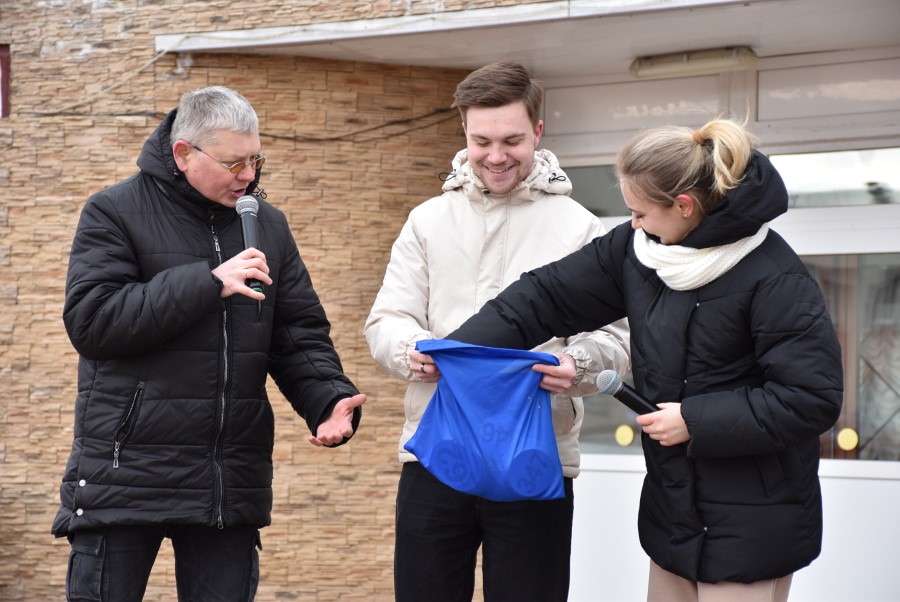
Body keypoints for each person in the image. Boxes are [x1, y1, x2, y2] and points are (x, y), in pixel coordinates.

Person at [445, 117, 844, 602]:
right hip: (673, 523)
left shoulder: (776, 278)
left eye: (640, 212)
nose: (633, 223)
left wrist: (695, 420)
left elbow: (811, 398)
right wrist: (458, 351)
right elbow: (544, 297)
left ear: (684, 205)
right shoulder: (638, 250)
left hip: (755, 531)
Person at [52, 86, 366, 602]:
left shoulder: (267, 224)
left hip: (227, 480)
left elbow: (296, 334)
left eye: (255, 160)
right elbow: (93, 323)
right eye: (233, 163)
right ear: (183, 153)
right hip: (123, 475)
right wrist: (208, 282)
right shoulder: (113, 210)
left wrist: (327, 400)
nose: (248, 176)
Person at [364, 62, 630, 602]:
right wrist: (411, 351)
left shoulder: (579, 227)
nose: (495, 156)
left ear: (538, 131)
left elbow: (618, 340)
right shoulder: (427, 220)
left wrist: (577, 365)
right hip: (435, 454)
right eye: (481, 141)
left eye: (512, 140)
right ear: (464, 131)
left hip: (539, 455)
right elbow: (386, 320)